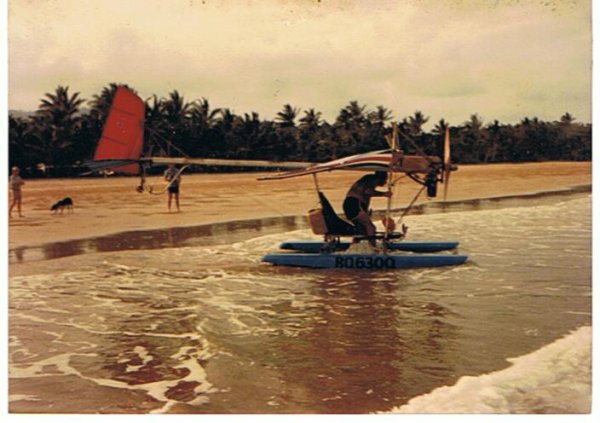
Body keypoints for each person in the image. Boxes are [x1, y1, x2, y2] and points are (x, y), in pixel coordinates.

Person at [343, 171, 392, 245]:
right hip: (353, 204)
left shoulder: (367, 179)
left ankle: (354, 246)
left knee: (361, 229)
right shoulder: (371, 180)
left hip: (350, 204)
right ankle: (372, 247)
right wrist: (384, 194)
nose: (385, 182)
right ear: (380, 178)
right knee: (371, 227)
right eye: (385, 179)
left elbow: (364, 197)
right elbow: (367, 192)